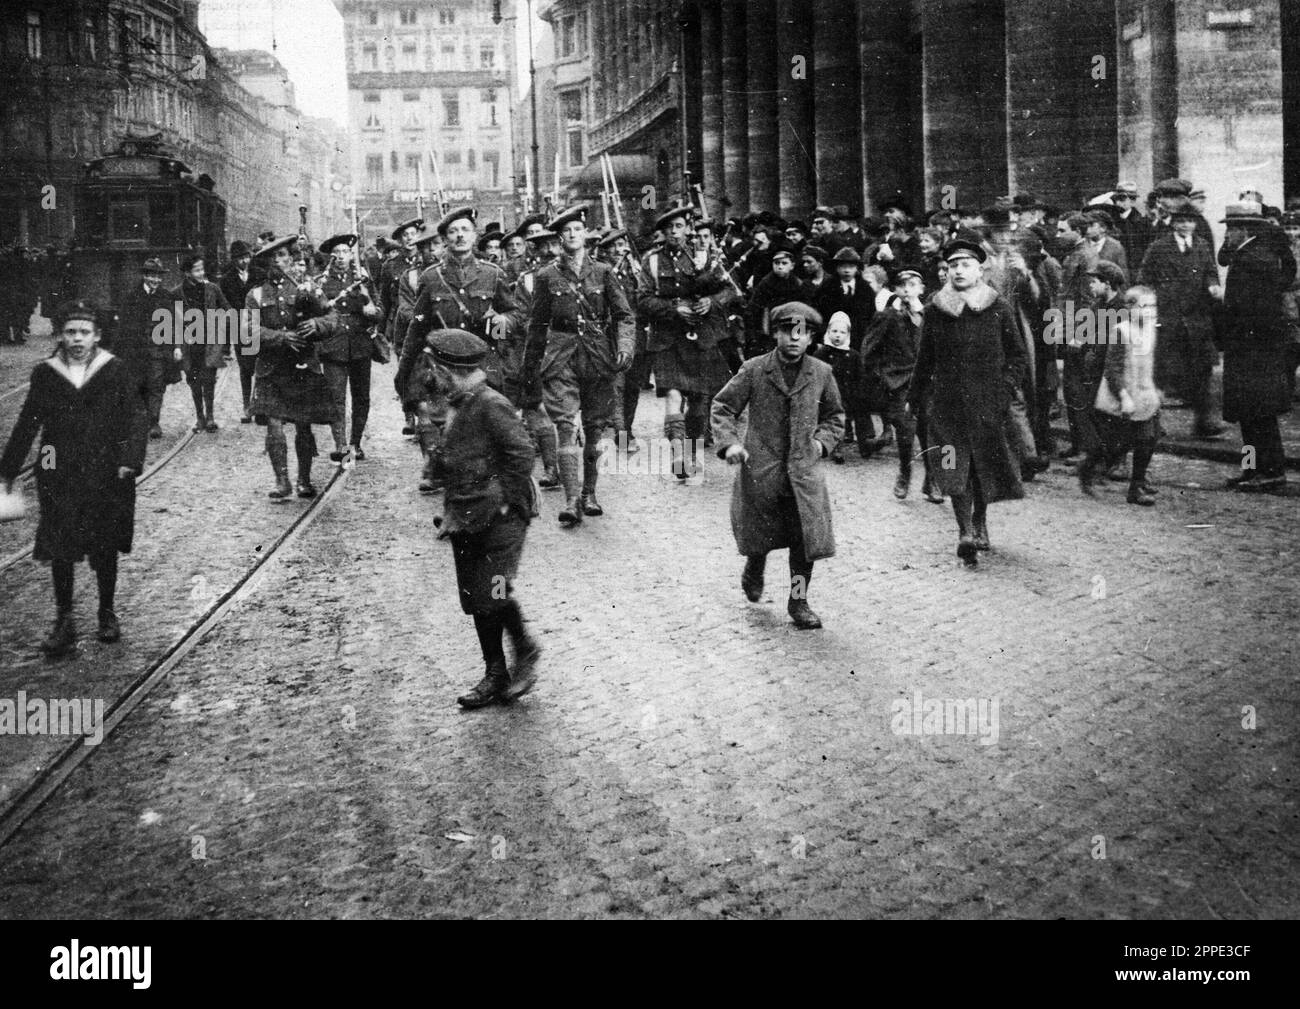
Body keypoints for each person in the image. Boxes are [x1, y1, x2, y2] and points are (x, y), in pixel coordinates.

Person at [1, 300, 148, 654]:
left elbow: (135, 417)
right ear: (62, 336)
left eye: (84, 332)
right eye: (70, 332)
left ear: (96, 336)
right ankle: (64, 618)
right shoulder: (46, 374)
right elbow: (28, 422)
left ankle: (106, 612)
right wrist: (7, 470)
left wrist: (130, 459)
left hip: (106, 471)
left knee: (105, 543)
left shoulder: (115, 370)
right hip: (59, 472)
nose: (77, 339)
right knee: (60, 545)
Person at [423, 329, 540, 710]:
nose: (430, 376)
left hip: (502, 517)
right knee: (476, 597)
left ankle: (524, 653)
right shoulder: (457, 402)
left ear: (448, 370)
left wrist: (504, 500)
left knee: (493, 592)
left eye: (434, 368)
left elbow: (522, 453)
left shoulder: (490, 403)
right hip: (466, 513)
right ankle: (495, 673)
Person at [711, 301, 844, 630]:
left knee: (804, 543)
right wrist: (730, 444)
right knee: (761, 534)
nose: (795, 338)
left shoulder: (822, 373)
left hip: (803, 472)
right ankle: (755, 566)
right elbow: (723, 406)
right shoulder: (754, 369)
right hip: (762, 469)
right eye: (789, 331)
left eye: (804, 332)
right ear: (776, 333)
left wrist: (821, 443)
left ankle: (798, 601)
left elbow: (835, 417)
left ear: (812, 338)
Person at [908, 235, 1026, 566]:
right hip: (946, 406)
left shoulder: (998, 307)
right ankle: (964, 532)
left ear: (979, 269)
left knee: (981, 466)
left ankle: (980, 522)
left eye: (965, 265)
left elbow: (1017, 356)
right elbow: (924, 359)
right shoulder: (935, 310)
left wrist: (1005, 389)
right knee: (953, 466)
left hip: (988, 404)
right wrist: (915, 398)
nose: (958, 271)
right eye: (952, 266)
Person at [526, 205, 635, 525]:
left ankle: (589, 492)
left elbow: (624, 315)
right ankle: (572, 499)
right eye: (566, 231)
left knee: (594, 428)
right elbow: (536, 324)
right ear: (559, 239)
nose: (572, 235)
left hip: (598, 356)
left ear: (585, 235)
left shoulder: (603, 272)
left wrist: (626, 346)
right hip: (560, 356)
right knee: (565, 426)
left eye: (577, 230)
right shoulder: (546, 276)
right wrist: (530, 368)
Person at [402, 207, 523, 494]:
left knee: (484, 430)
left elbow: (515, 317)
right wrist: (406, 371)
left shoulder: (493, 275)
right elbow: (418, 328)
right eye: (453, 231)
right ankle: (448, 486)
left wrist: (500, 324)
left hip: (483, 365)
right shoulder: (431, 278)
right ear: (444, 239)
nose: (459, 236)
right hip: (442, 368)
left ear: (475, 235)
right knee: (445, 430)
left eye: (465, 230)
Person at [639, 204, 736, 482]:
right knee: (673, 394)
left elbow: (730, 289)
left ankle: (692, 453)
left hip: (699, 339)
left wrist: (712, 302)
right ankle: (679, 455)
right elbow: (643, 299)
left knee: (698, 403)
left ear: (687, 229)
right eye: (669, 228)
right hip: (667, 339)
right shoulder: (652, 262)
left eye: (679, 226)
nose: (674, 232)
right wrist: (672, 308)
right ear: (663, 232)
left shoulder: (705, 258)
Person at [246, 236, 341, 499]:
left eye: (284, 256)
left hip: (302, 366)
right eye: (273, 258)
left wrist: (317, 326)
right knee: (274, 426)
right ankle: (281, 481)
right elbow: (249, 330)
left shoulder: (307, 288)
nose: (279, 262)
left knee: (303, 425)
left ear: (291, 258)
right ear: (266, 264)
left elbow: (331, 317)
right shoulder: (255, 294)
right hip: (271, 368)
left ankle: (304, 480)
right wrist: (280, 337)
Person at [1217, 201, 1297, 493]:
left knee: (1259, 416)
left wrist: (1222, 310)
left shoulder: (1253, 260)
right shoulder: (1250, 255)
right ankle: (1251, 468)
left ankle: (1272, 471)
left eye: (1231, 229)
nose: (1227, 235)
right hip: (1250, 350)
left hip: (1255, 352)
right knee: (1248, 417)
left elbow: (1254, 310)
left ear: (1243, 229)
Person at [1138, 197, 1226, 438]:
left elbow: (1211, 273)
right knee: (1162, 375)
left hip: (1196, 320)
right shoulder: (1159, 247)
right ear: (1173, 223)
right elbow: (1145, 279)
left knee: (1201, 372)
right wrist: (1152, 303)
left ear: (1196, 224)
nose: (1186, 225)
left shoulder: (1202, 246)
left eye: (1190, 221)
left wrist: (1213, 287)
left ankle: (1204, 423)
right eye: (1182, 221)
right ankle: (1152, 424)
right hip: (1168, 320)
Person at [1078, 283, 1161, 505]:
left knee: (1148, 439)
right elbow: (1112, 369)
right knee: (1114, 446)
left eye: (1152, 307)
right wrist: (1123, 396)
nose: (1149, 312)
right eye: (1143, 307)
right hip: (1120, 397)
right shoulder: (1121, 331)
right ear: (1130, 309)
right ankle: (1088, 469)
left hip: (1145, 396)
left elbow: (1154, 362)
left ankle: (1136, 486)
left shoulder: (1152, 330)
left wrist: (1158, 388)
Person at [317, 233, 383, 462]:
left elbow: (379, 310)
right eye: (337, 253)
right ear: (331, 257)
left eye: (346, 252)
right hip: (333, 346)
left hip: (360, 344)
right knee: (336, 397)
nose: (341, 256)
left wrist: (371, 311)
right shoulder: (322, 282)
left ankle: (355, 442)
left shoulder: (363, 279)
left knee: (361, 397)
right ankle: (341, 445)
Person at [859, 269, 924, 498]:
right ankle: (905, 473)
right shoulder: (886, 316)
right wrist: (883, 378)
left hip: (926, 381)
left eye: (913, 284)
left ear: (921, 289)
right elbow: (868, 350)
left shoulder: (928, 316)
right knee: (905, 430)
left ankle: (932, 481)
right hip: (898, 382)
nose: (907, 289)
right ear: (894, 289)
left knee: (931, 431)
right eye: (902, 285)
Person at [110, 257, 182, 439]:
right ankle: (142, 421)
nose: (156, 281)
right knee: (138, 385)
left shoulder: (165, 296)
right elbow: (122, 327)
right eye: (152, 276)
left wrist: (176, 346)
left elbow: (174, 324)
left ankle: (154, 422)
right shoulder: (131, 297)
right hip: (136, 351)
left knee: (157, 385)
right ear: (145, 276)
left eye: (158, 277)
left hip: (158, 350)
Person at [171, 253, 230, 433]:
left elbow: (227, 310)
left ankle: (210, 416)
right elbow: (172, 322)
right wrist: (176, 346)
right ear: (187, 273)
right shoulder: (176, 293)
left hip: (210, 343)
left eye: (202, 269)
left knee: (209, 380)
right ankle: (200, 417)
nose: (201, 273)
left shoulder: (213, 289)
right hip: (189, 345)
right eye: (197, 270)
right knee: (194, 380)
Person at [219, 241, 259, 422]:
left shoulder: (259, 275)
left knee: (261, 365)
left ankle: (259, 404)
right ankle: (246, 406)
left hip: (259, 326)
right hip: (239, 328)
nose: (244, 261)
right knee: (245, 368)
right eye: (240, 258)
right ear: (234, 260)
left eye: (246, 257)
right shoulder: (226, 280)